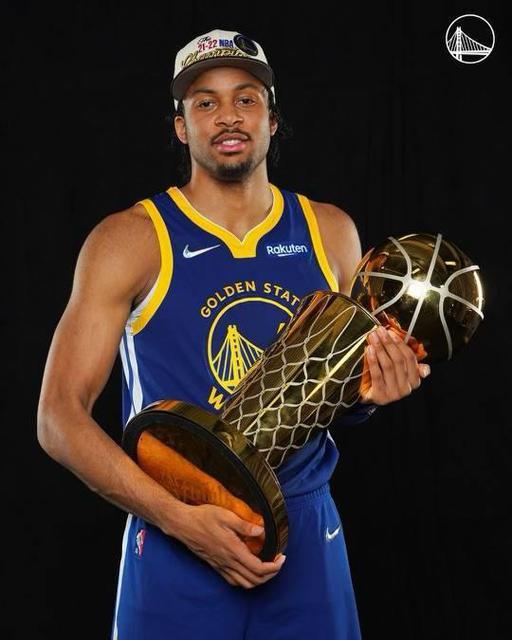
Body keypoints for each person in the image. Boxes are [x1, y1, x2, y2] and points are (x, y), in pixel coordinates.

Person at [37, 28, 431, 640]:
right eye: (206, 102)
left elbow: (339, 394)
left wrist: (373, 393)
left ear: (272, 119)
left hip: (306, 534)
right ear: (181, 126)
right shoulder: (130, 239)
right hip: (178, 527)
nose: (228, 116)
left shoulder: (330, 232)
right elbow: (58, 417)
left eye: (246, 98)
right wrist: (177, 519)